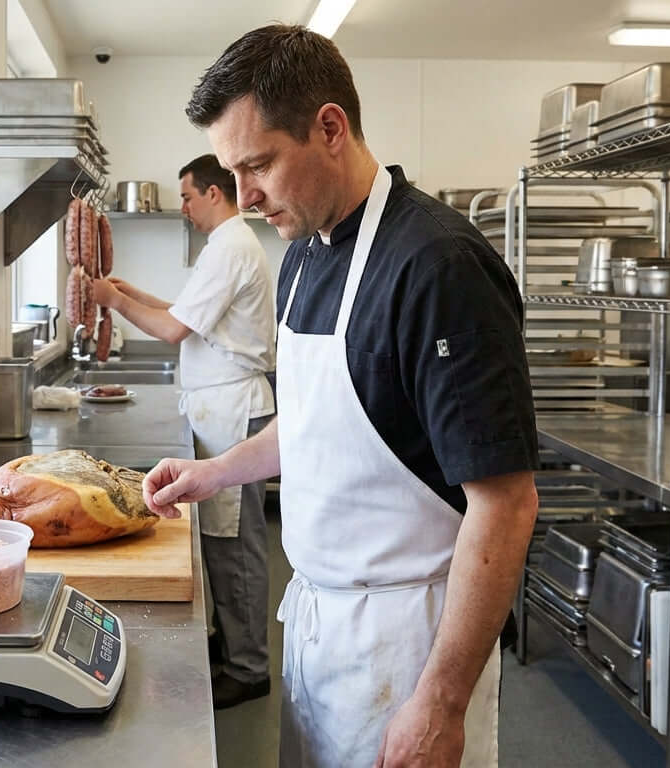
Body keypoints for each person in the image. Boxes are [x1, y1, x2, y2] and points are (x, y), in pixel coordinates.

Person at [142, 25, 539, 768]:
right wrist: (218, 470)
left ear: (329, 127)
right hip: (320, 624)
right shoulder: (302, 256)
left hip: (410, 645)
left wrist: (440, 704)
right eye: (232, 172)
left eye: (258, 165)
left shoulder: (438, 266)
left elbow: (507, 504)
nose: (245, 195)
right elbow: (317, 421)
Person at [91, 154, 277, 710]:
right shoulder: (226, 247)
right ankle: (233, 644)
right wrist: (134, 293)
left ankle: (249, 668)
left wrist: (116, 302)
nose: (183, 208)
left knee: (235, 543)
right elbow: (185, 312)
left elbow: (173, 330)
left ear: (215, 194)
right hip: (220, 409)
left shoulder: (232, 247)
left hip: (233, 412)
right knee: (222, 540)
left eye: (188, 197)